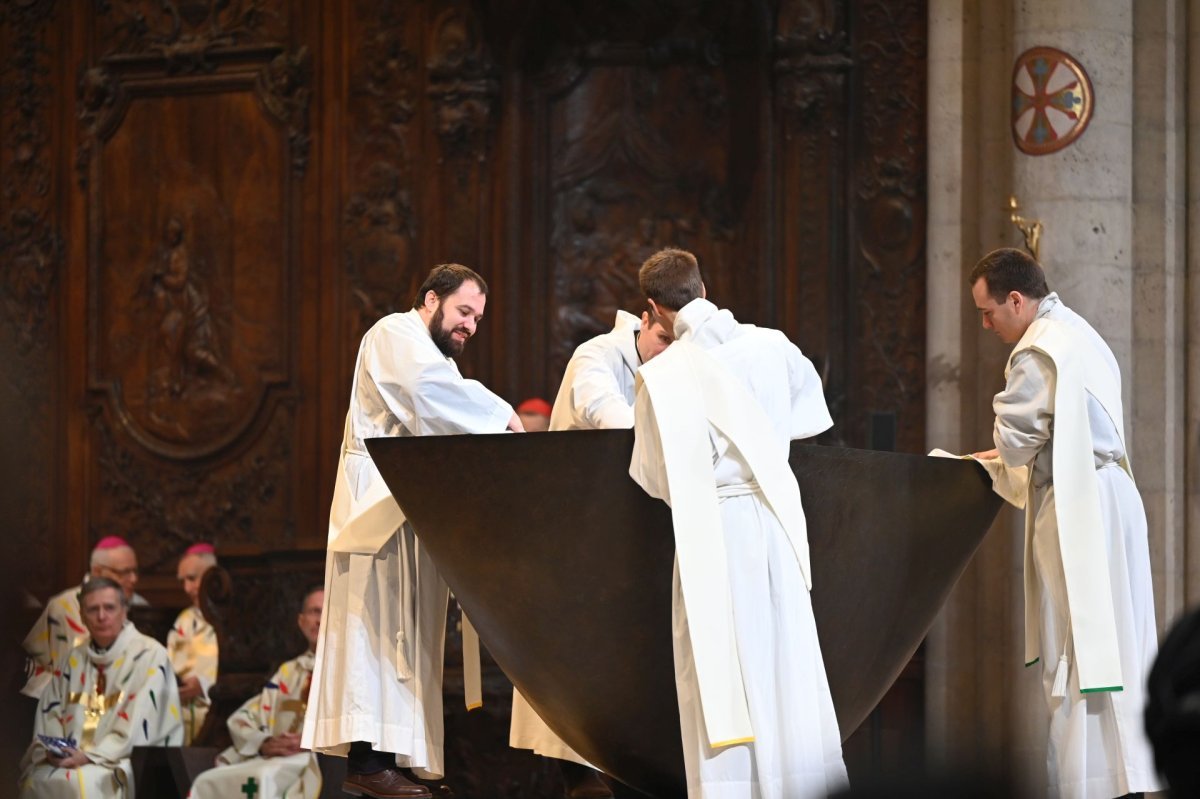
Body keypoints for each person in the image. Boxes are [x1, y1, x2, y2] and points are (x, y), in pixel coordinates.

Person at [627, 247, 846, 799]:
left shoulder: (661, 376)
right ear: (704, 289)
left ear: (653, 309)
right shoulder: (773, 346)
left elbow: (654, 477)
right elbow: (810, 417)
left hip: (711, 528)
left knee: (719, 682)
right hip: (773, 522)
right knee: (785, 664)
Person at [302, 263, 523, 799]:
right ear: (431, 299)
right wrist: (504, 416)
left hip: (407, 507)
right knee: (373, 633)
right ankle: (367, 760)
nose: (470, 325)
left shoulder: (431, 353)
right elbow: (429, 395)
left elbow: (442, 396)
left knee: (405, 640)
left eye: (478, 318)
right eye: (463, 311)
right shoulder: (393, 333)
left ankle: (399, 762)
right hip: (375, 509)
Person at [968, 248, 1161, 798]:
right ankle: (1124, 778)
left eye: (988, 312)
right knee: (1118, 641)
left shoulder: (1036, 351)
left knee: (1081, 649)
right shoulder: (1079, 331)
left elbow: (1013, 441)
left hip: (1080, 505)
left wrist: (1004, 447)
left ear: (1015, 299)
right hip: (1115, 496)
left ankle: (1090, 783)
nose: (986, 325)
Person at [509, 307, 673, 799]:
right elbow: (605, 411)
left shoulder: (674, 365)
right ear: (646, 318)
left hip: (629, 543)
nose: (671, 349)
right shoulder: (597, 355)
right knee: (574, 682)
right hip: (577, 538)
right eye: (664, 336)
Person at [17, 577, 182, 798]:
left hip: (121, 762)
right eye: (93, 609)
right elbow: (51, 711)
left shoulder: (150, 656)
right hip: (70, 760)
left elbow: (142, 725)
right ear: (82, 617)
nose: (102, 616)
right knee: (34, 782)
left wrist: (89, 756)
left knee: (81, 784)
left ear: (124, 612)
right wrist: (55, 750)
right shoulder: (72, 660)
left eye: (110, 608)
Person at [189, 585, 326, 799]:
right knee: (205, 781)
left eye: (327, 612)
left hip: (315, 760)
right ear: (301, 621)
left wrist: (311, 743)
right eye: (314, 611)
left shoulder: (345, 672)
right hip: (278, 758)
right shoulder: (289, 671)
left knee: (264, 779)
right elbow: (244, 717)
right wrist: (264, 743)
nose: (320, 619)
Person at [21, 536, 148, 698]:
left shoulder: (141, 605)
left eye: (135, 571)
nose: (133, 579)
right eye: (124, 572)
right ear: (97, 572)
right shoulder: (65, 606)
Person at [168, 542, 220, 744]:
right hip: (178, 714)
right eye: (183, 581)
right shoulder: (184, 619)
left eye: (192, 579)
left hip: (215, 715)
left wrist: (204, 685)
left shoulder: (234, 618)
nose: (187, 588)